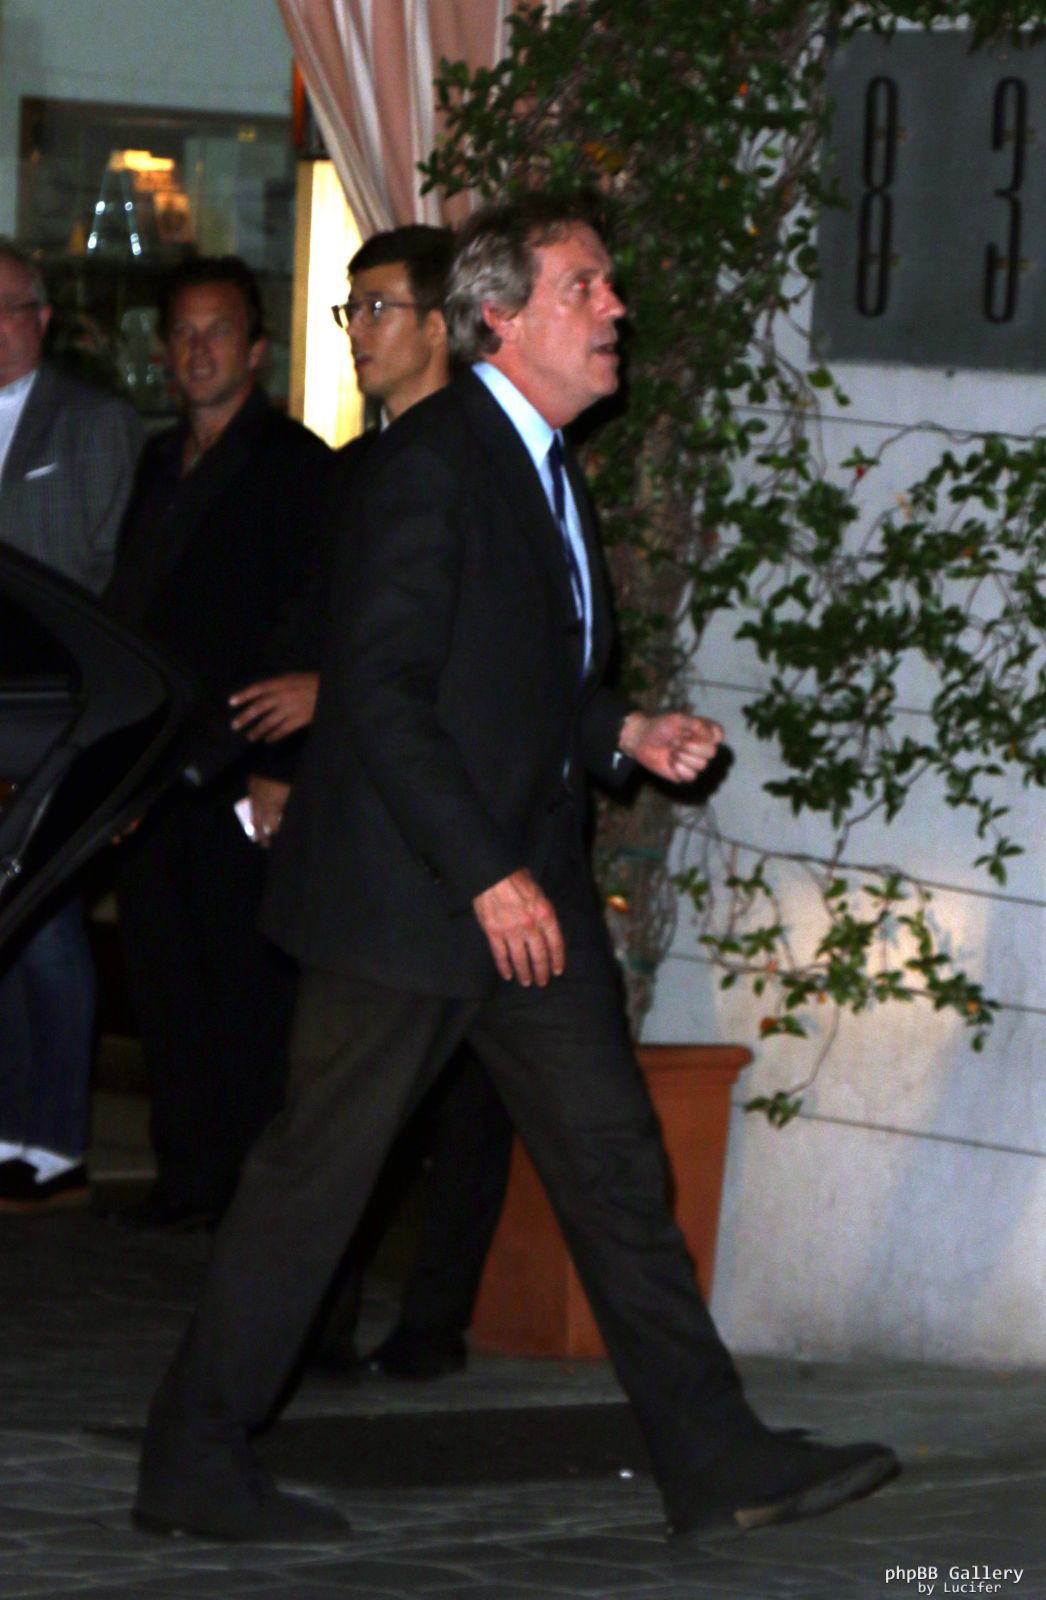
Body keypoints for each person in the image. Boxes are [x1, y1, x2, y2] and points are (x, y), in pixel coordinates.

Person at [135, 198, 899, 1543]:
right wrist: (486, 871)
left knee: (612, 1168)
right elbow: (380, 693)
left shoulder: (540, 462)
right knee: (313, 1186)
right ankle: (192, 1460)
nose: (616, 308)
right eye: (583, 286)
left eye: (607, 284)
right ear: (500, 318)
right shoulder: (428, 465)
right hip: (415, 903)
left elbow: (512, 673)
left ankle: (713, 1457)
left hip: (520, 895)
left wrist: (619, 731)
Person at [231, 223, 515, 1382]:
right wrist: (280, 754)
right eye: (349, 309)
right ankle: (306, 1334)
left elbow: (479, 662)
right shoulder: (359, 468)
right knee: (342, 1104)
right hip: (365, 836)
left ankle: (427, 1318)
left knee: (476, 1091)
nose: (357, 331)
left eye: (378, 308)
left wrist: (328, 695)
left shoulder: (491, 464)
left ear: (441, 326)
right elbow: (321, 617)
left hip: (469, 833)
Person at [106, 256, 331, 1230]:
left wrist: (281, 768)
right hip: (157, 762)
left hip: (244, 757)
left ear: (257, 348)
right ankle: (187, 1178)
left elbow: (311, 616)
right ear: (165, 351)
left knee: (245, 984)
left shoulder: (295, 465)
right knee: (164, 977)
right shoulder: (158, 460)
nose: (199, 350)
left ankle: (250, 1194)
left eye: (219, 331)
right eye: (184, 333)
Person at [0, 237, 142, 1209]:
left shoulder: (93, 422)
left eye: (5, 308)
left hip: (55, 717)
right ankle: (12, 1129)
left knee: (47, 922)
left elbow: (106, 572)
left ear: (41, 319)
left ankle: (56, 1139)